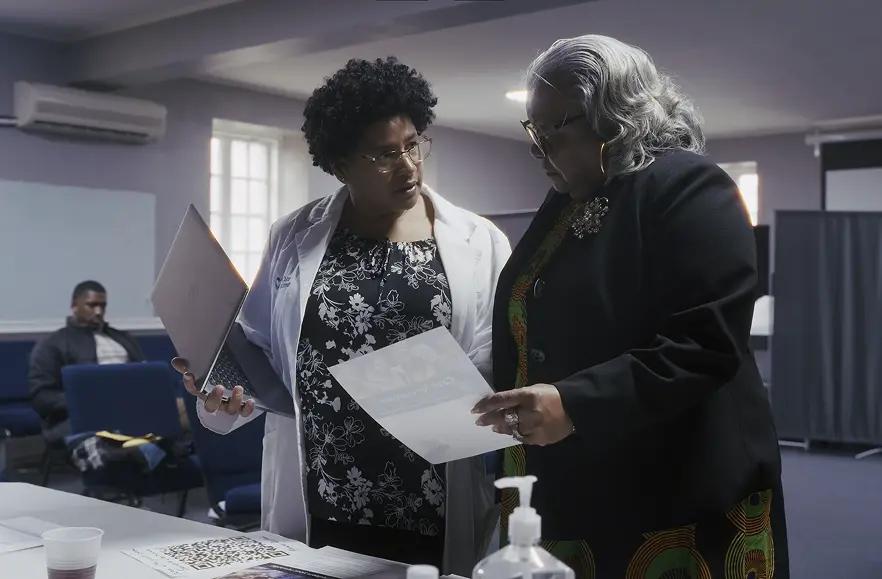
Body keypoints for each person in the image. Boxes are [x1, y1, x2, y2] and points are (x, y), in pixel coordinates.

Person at [175, 57, 511, 574]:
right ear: (339, 164)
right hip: (320, 490)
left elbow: (498, 359)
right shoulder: (293, 235)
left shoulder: (478, 240)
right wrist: (222, 393)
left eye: (413, 144)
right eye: (383, 155)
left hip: (430, 490)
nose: (408, 166)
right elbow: (259, 349)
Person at [472, 35, 789, 578]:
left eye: (556, 129)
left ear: (616, 118)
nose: (538, 150)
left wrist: (574, 403)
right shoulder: (569, 199)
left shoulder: (687, 185)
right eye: (533, 130)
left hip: (675, 492)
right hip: (577, 478)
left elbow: (705, 343)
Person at [29, 280, 144, 443]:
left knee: (186, 408)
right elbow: (41, 397)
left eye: (103, 306)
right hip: (85, 416)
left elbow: (145, 376)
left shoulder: (124, 339)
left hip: (132, 409)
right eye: (92, 305)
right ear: (75, 306)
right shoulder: (53, 344)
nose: (98, 311)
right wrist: (86, 401)